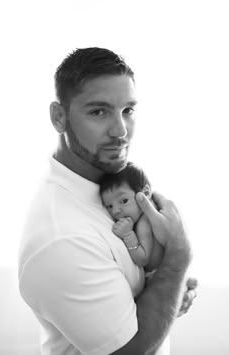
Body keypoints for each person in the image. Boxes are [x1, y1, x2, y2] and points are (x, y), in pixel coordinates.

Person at [18, 47, 198, 355]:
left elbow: (129, 310)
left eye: (128, 110)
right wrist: (177, 259)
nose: (121, 131)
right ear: (59, 117)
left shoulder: (108, 187)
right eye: (98, 112)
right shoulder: (62, 237)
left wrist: (164, 293)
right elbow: (128, 351)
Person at [100, 161, 164, 270]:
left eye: (124, 201)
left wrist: (127, 235)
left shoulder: (144, 223)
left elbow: (143, 259)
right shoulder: (142, 213)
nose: (115, 211)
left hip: (158, 274)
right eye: (109, 206)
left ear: (146, 193)